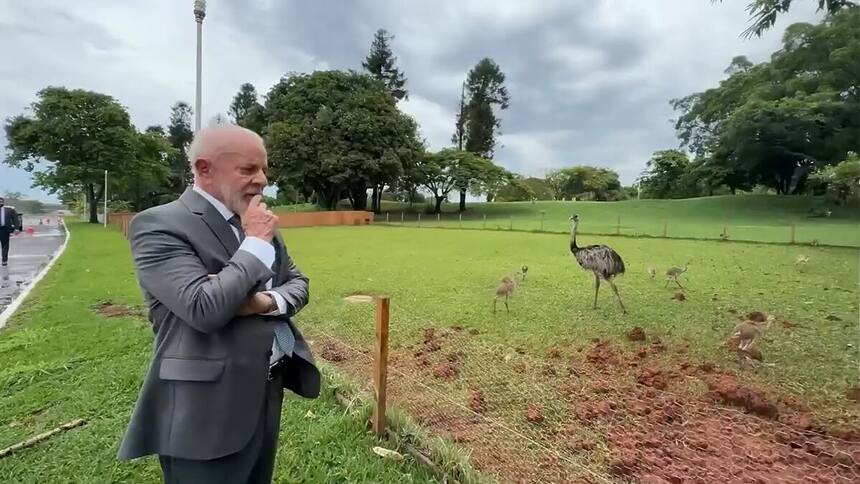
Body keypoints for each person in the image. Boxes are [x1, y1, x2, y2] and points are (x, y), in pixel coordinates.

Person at [117, 125, 320, 484]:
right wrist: (255, 243)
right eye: (248, 169)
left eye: (263, 169)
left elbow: (298, 283)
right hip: (204, 409)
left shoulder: (256, 221)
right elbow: (204, 308)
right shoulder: (159, 225)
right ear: (204, 168)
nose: (262, 180)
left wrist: (262, 302)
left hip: (265, 389)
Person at [0, 197, 22, 266]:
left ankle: (4, 260)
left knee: (5, 246)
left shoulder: (9, 210)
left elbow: (16, 219)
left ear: (3, 202)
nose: (0, 203)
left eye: (1, 201)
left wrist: (17, 228)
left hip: (4, 230)